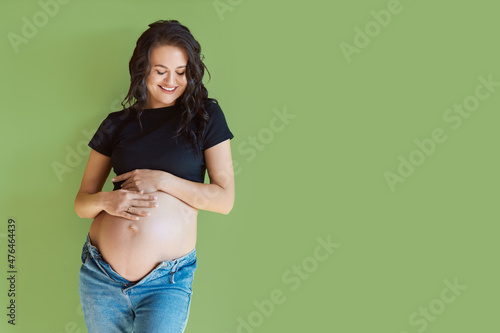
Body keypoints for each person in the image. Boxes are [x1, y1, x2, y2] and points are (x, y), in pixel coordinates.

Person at [74, 19, 235, 333]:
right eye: (160, 71)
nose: (171, 81)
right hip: (100, 277)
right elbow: (82, 204)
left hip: (167, 280)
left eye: (181, 72)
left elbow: (224, 199)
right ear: (141, 69)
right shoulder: (116, 124)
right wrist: (107, 201)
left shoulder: (206, 117)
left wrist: (163, 180)